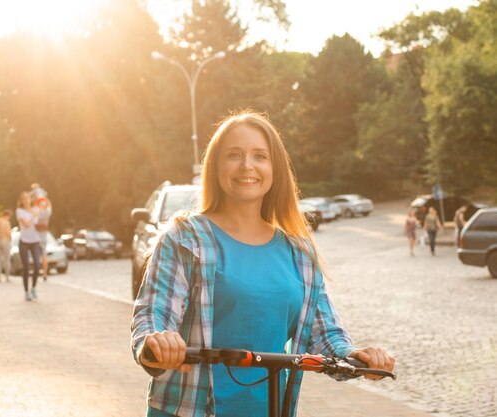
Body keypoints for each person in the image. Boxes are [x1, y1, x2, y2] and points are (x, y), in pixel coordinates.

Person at [130, 111, 395, 417]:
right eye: (233, 155)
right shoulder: (185, 238)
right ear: (215, 166)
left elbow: (326, 336)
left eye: (260, 156)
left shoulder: (298, 251)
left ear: (275, 169)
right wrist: (158, 344)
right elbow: (153, 316)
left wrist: (358, 360)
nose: (247, 166)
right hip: (189, 410)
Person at [16, 191, 42, 301]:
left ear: (31, 199)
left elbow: (45, 204)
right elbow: (26, 225)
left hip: (35, 241)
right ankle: (26, 291)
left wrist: (39, 192)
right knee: (26, 267)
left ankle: (34, 288)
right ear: (21, 201)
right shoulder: (20, 211)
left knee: (37, 265)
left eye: (28, 198)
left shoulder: (35, 210)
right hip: (24, 242)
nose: (27, 200)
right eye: (24, 198)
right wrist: (33, 216)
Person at [34, 195, 52, 281]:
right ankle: (45, 274)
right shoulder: (47, 212)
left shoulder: (37, 213)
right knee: (44, 256)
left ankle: (36, 273)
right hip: (44, 235)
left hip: (36, 236)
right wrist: (45, 197)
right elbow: (50, 205)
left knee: (36, 256)